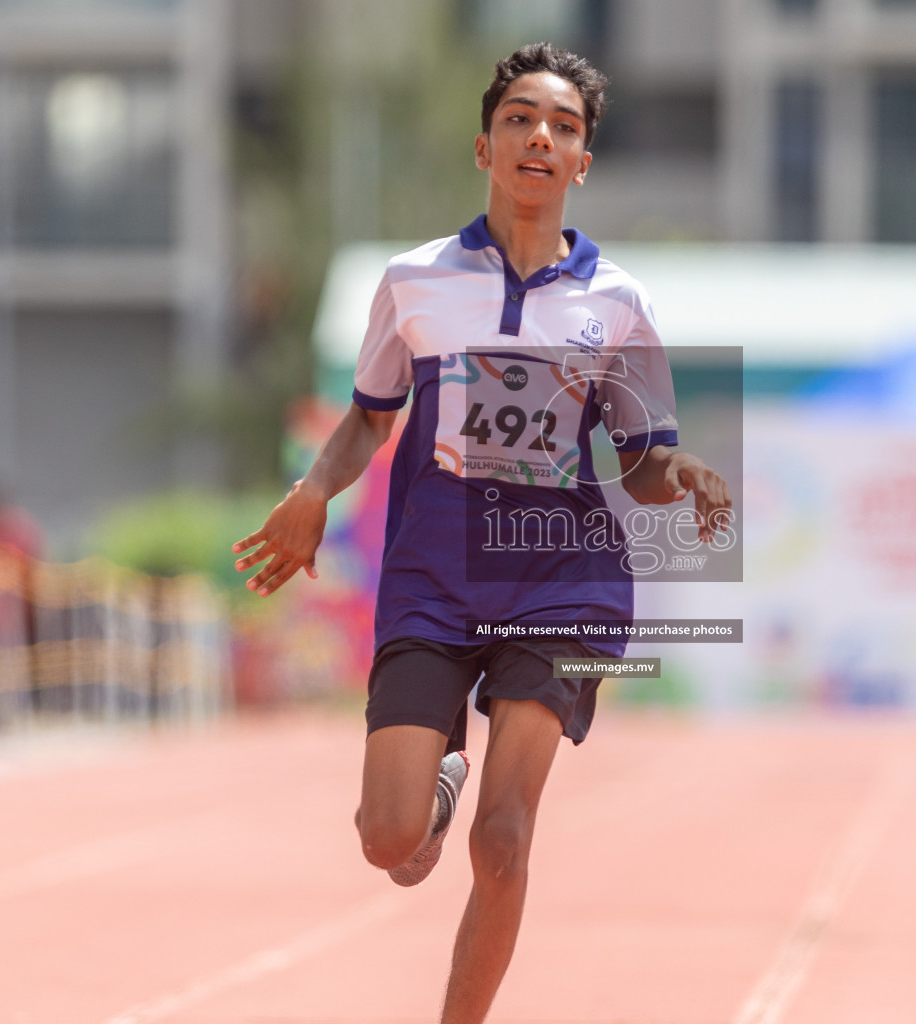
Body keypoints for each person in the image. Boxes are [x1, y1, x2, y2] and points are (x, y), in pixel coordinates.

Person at [233, 43, 731, 1023]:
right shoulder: (412, 282)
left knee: (502, 841)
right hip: (434, 568)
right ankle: (436, 779)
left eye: (564, 126)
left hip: (564, 575)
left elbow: (639, 458)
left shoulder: (619, 304)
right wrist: (313, 491)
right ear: (484, 146)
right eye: (519, 118)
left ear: (582, 161)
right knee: (387, 840)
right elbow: (370, 416)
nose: (539, 135)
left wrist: (688, 474)